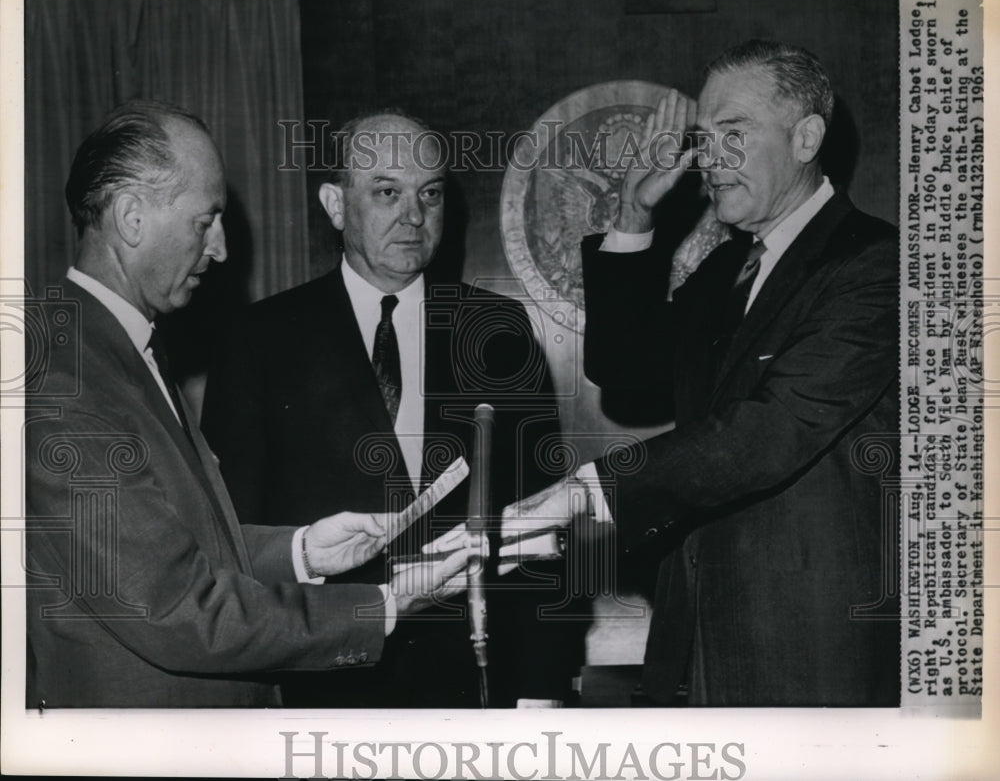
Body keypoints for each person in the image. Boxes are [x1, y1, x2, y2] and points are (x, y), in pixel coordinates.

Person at [25, 100, 473, 709]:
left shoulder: (116, 350)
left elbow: (184, 539)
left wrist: (304, 548)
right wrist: (383, 605)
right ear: (131, 218)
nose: (221, 249)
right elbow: (174, 606)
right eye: (204, 221)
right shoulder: (65, 377)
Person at [501, 40, 900, 706]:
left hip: (810, 646)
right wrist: (633, 218)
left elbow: (770, 428)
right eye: (703, 136)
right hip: (696, 634)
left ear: (807, 137)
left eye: (734, 132)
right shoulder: (726, 270)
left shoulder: (875, 264)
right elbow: (623, 366)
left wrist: (589, 493)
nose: (707, 157)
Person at [201, 111, 585, 708]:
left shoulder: (497, 331)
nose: (413, 215)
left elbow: (541, 521)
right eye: (387, 192)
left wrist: (542, 687)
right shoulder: (259, 339)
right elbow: (234, 538)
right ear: (335, 205)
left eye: (429, 194)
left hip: (479, 680)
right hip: (331, 682)